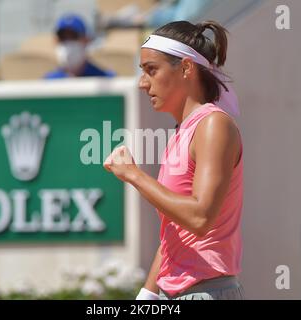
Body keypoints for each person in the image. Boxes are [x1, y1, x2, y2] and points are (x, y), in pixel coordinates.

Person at [103, 20, 244, 300]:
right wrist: (147, 295)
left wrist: (134, 175)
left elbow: (200, 217)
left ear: (186, 69)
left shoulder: (214, 125)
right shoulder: (184, 131)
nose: (143, 84)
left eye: (151, 70)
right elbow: (175, 231)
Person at [44, 14, 115, 79]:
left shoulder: (104, 79)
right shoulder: (49, 81)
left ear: (86, 40)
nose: (68, 42)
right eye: (63, 37)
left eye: (73, 36)